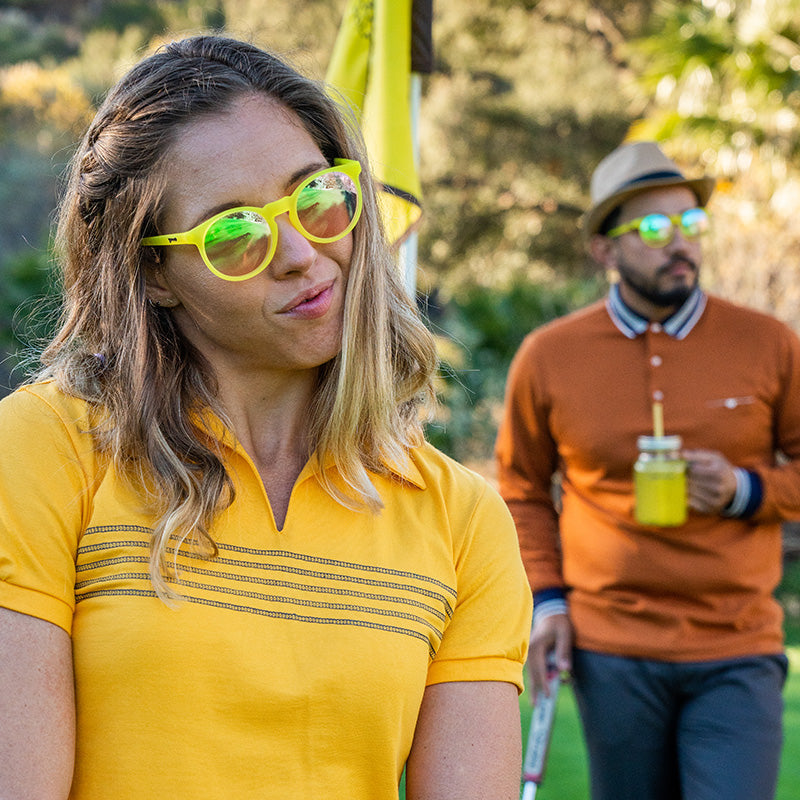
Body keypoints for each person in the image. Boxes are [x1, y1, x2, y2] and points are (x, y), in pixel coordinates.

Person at [0, 34, 532, 800]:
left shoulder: (462, 520)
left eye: (316, 198)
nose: (300, 252)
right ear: (153, 273)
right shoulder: (46, 448)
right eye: (234, 234)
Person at [496, 140, 800, 800]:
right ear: (605, 249)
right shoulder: (548, 356)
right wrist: (546, 601)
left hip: (737, 644)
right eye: (656, 229)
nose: (681, 244)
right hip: (611, 650)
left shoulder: (769, 343)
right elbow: (520, 487)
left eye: (691, 224)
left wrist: (745, 490)